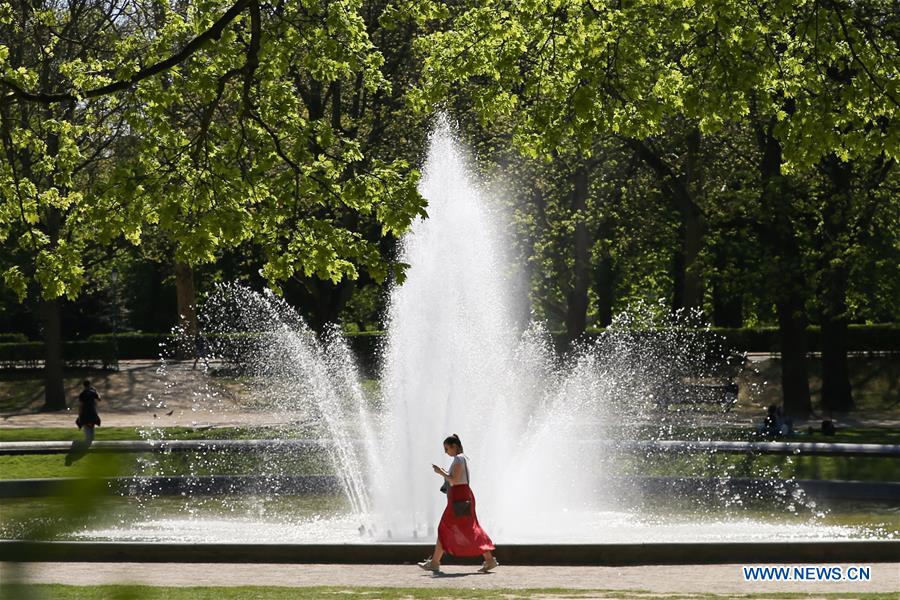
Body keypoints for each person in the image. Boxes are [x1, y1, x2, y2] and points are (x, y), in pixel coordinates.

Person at [418, 434, 498, 574]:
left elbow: (454, 480)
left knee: (448, 527)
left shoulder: (459, 459)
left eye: (447, 448)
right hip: (461, 496)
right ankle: (489, 560)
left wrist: (440, 472)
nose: (446, 452)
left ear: (454, 446)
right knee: (466, 528)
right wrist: (444, 472)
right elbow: (456, 478)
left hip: (459, 496)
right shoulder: (462, 458)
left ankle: (435, 563)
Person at [65, 380, 102, 465]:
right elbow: (99, 399)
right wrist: (96, 391)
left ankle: (81, 443)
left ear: (83, 386)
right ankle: (87, 441)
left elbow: (80, 406)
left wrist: (79, 415)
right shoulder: (93, 392)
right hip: (92, 414)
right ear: (89, 385)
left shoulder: (82, 394)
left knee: (86, 429)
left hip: (85, 414)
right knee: (91, 429)